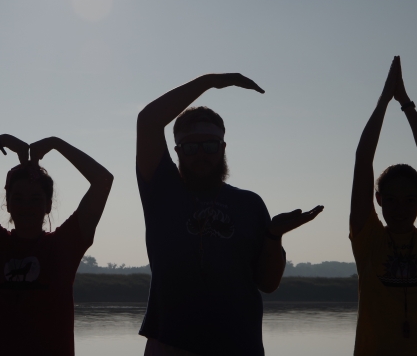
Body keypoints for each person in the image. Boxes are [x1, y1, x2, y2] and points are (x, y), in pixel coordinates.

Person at [136, 73, 324, 356]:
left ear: (223, 148)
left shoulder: (249, 204)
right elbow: (148, 120)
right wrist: (210, 81)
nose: (201, 155)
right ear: (177, 151)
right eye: (190, 148)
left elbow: (268, 284)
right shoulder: (162, 192)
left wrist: (274, 236)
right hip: (171, 342)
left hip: (240, 345)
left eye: (210, 146)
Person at [0, 134, 113, 355]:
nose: (26, 206)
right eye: (18, 198)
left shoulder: (64, 246)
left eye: (35, 198)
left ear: (48, 205)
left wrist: (57, 143)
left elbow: (103, 180)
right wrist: (0, 143)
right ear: (8, 204)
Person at [350, 56, 417, 355]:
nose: (400, 208)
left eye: (410, 200)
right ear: (379, 200)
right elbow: (363, 162)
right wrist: (384, 100)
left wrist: (406, 103)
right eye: (392, 200)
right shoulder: (368, 239)